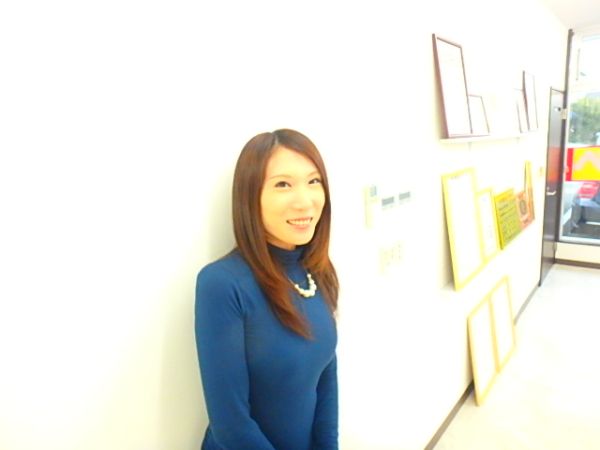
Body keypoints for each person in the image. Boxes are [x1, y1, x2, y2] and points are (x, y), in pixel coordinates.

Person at [195, 129, 339, 450]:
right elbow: (231, 425)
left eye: (313, 181)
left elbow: (326, 372)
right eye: (283, 184)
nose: (304, 201)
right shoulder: (222, 284)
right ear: (250, 196)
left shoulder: (316, 271)